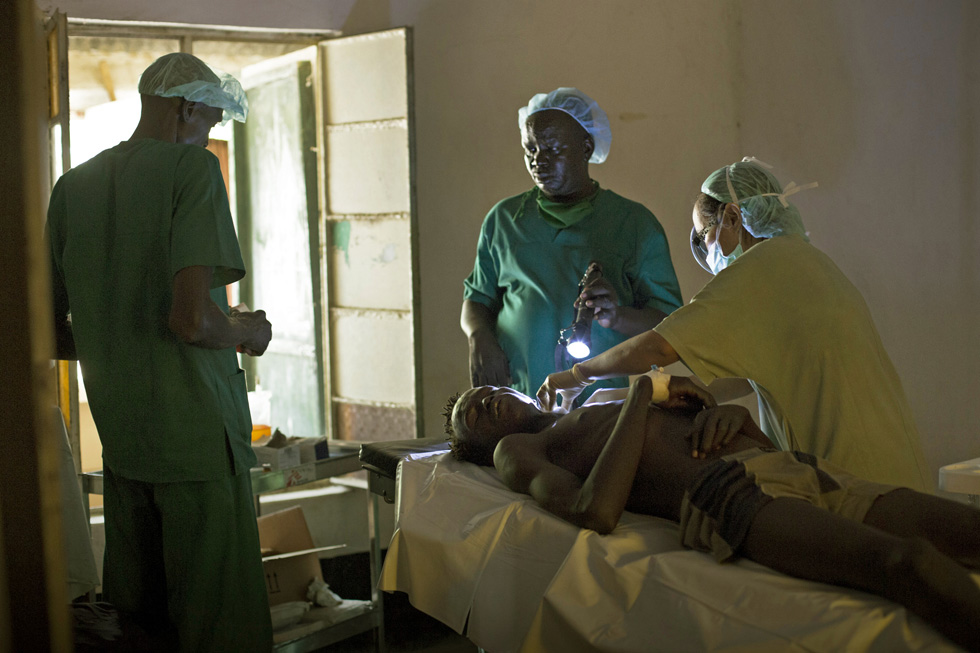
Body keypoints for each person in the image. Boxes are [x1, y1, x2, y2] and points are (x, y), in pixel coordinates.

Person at [445, 379, 980, 651]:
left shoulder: (591, 404)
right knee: (907, 563)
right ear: (481, 449)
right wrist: (641, 395)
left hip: (792, 465)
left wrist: (732, 416)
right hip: (733, 494)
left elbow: (690, 430)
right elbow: (597, 511)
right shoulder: (519, 449)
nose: (486, 401)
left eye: (490, 391)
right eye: (473, 413)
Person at [47, 53, 273, 651]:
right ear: (187, 108)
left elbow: (46, 330)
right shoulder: (191, 170)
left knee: (142, 626)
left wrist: (116, 341)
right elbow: (192, 320)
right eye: (211, 123)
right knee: (220, 626)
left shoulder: (73, 187)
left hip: (125, 445)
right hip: (197, 445)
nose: (209, 137)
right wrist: (248, 332)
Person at [537, 158, 932, 491]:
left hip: (851, 478)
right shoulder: (808, 263)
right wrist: (628, 398)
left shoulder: (762, 267)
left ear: (732, 216)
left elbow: (658, 346)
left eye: (703, 237)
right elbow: (732, 382)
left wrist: (575, 376)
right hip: (897, 472)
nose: (706, 253)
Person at [461, 87, 682, 402]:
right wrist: (479, 336)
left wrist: (618, 316)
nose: (539, 161)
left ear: (586, 147)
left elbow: (670, 324)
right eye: (531, 149)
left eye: (553, 149)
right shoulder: (505, 219)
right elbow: (477, 299)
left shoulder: (633, 224)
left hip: (600, 405)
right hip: (518, 399)